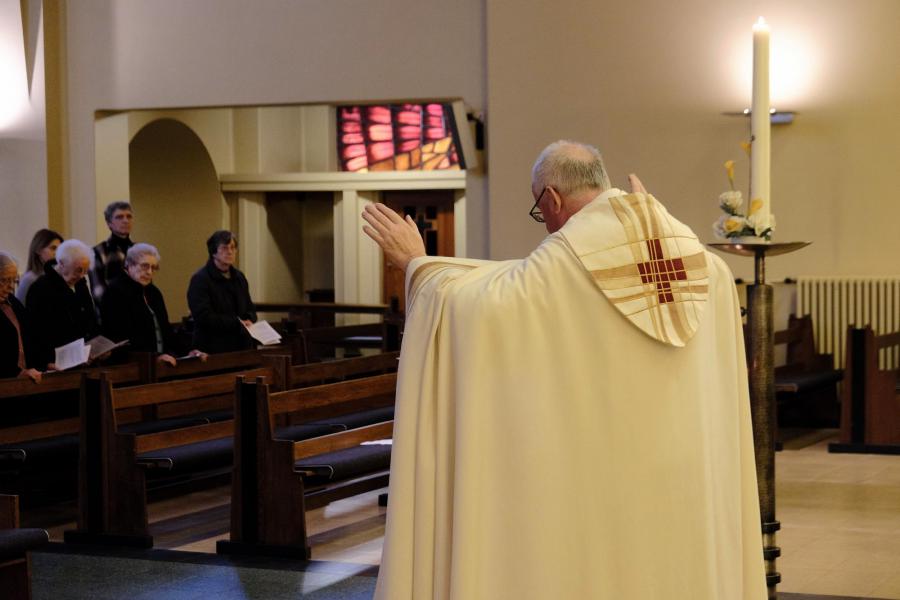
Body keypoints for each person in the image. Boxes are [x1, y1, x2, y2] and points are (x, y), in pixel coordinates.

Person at [362, 140, 766, 599]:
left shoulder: (562, 264)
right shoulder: (703, 266)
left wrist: (416, 264)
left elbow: (477, 307)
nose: (547, 223)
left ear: (551, 198)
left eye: (540, 211)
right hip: (681, 479)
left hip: (600, 487)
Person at [101, 243, 205, 366]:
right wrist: (154, 357)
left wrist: (188, 351)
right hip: (130, 365)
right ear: (129, 265)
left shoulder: (154, 292)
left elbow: (166, 331)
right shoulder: (114, 292)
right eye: (145, 266)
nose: (150, 272)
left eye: (154, 267)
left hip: (158, 363)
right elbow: (122, 337)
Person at [26, 239, 99, 369]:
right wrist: (45, 362)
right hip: (56, 364)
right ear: (61, 263)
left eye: (85, 271)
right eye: (78, 270)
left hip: (84, 361)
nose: (82, 275)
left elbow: (90, 318)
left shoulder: (80, 284)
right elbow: (36, 333)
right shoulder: (40, 289)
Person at [186, 230, 256, 354]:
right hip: (213, 347)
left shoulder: (239, 277)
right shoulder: (200, 279)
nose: (230, 252)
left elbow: (249, 307)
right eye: (224, 248)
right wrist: (237, 322)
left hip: (241, 345)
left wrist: (250, 318)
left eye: (233, 247)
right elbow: (203, 317)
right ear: (213, 252)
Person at [0, 253, 41, 382]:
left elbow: (30, 338)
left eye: (14, 280)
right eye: (4, 280)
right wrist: (15, 372)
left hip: (23, 382)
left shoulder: (13, 302)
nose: (11, 287)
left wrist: (44, 363)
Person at [91, 200, 135, 302]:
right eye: (119, 217)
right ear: (109, 223)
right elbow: (98, 290)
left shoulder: (139, 250)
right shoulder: (98, 251)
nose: (125, 220)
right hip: (112, 307)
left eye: (129, 216)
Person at [16, 229, 63, 304]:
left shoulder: (58, 277)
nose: (58, 253)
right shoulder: (30, 279)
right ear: (38, 250)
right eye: (53, 248)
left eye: (60, 249)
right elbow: (20, 307)